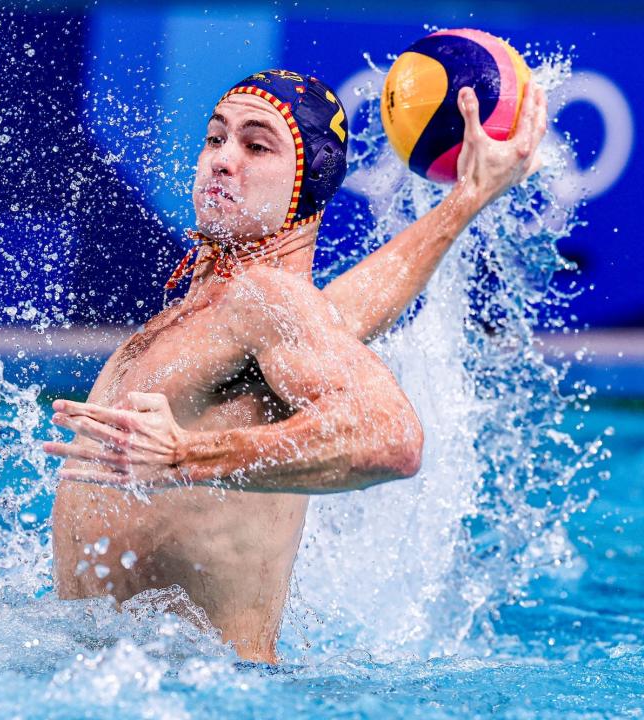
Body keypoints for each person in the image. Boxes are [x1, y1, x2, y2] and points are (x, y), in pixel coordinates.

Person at [43, 69, 546, 662]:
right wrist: (468, 199)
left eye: (257, 146)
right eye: (215, 137)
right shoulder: (238, 307)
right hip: (116, 670)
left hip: (200, 693)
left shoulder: (268, 300)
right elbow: (345, 312)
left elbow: (391, 438)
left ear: (308, 186)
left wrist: (184, 455)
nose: (223, 160)